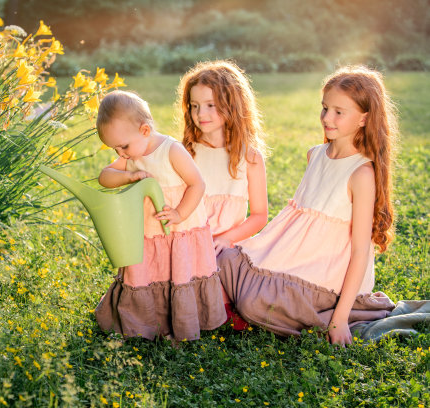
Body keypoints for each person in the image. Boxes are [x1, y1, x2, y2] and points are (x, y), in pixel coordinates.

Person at [217, 65, 397, 345]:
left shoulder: (361, 174)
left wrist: (338, 321)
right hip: (291, 259)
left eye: (339, 112)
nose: (327, 117)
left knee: (254, 302)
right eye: (325, 108)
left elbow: (361, 251)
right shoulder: (316, 155)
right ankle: (241, 303)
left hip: (323, 275)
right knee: (224, 260)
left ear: (363, 118)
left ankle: (333, 311)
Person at [94, 90, 226, 341]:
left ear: (144, 130)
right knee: (148, 272)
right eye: (115, 149)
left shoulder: (171, 150)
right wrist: (129, 175)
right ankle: (146, 323)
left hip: (178, 229)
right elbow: (104, 177)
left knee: (178, 271)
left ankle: (184, 322)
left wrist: (179, 212)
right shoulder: (131, 156)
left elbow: (197, 184)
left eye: (123, 146)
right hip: (148, 232)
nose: (120, 154)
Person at [178, 60, 269, 330]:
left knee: (225, 266)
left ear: (232, 105)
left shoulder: (249, 156)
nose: (200, 113)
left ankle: (225, 306)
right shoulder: (186, 153)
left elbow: (260, 216)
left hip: (229, 245)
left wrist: (226, 238)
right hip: (191, 237)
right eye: (194, 106)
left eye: (210, 105)